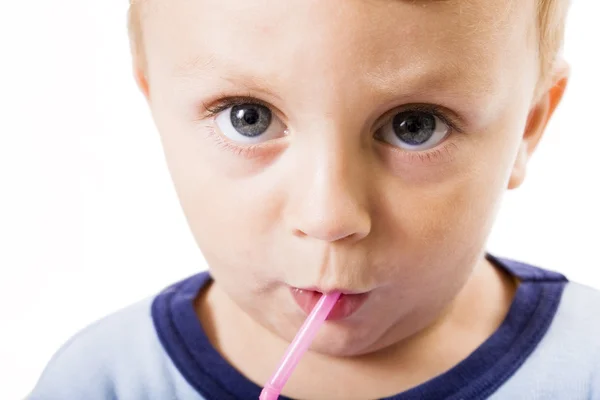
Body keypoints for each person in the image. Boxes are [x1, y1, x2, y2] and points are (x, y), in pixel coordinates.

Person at [29, 0, 600, 399]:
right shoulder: (104, 383)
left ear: (528, 127)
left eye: (415, 125)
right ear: (156, 108)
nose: (329, 217)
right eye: (248, 118)